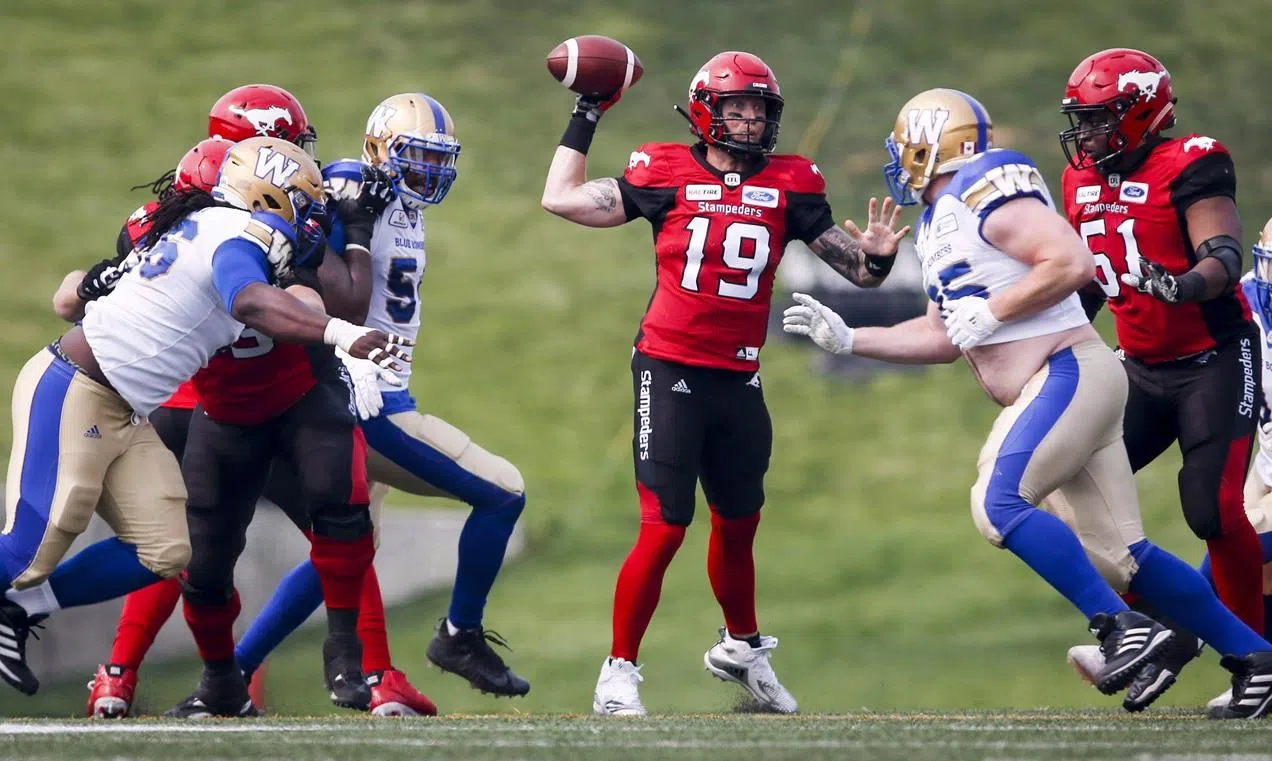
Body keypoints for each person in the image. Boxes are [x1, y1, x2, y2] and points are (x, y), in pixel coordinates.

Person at [783, 87, 1272, 720]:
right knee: (1125, 555)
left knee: (996, 504)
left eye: (906, 146)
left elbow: (1071, 260)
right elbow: (941, 335)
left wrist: (993, 310)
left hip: (1067, 372)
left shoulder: (985, 184)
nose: (899, 160)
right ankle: (1256, 658)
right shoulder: (941, 221)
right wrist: (853, 339)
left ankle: (1118, 626)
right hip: (1070, 380)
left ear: (931, 144)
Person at [541, 50, 905, 715]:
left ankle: (742, 649)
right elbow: (559, 198)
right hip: (669, 366)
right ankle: (617, 671)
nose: (750, 120)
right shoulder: (663, 168)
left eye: (760, 110)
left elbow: (856, 271)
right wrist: (587, 112)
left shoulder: (794, 182)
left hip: (739, 375)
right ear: (707, 111)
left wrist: (878, 260)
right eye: (737, 108)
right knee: (665, 525)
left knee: (740, 523)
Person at [0, 136, 410, 700]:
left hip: (127, 409)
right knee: (29, 545)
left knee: (170, 550)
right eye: (301, 204)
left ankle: (22, 609)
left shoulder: (205, 225)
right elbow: (247, 301)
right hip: (76, 387)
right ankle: (21, 594)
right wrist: (344, 333)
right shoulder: (234, 232)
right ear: (267, 196)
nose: (310, 220)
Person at [231, 92, 531, 702]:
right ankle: (459, 634)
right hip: (366, 399)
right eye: (416, 157)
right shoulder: (349, 185)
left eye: (438, 160)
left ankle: (230, 673)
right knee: (503, 493)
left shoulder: (406, 207)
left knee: (341, 554)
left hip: (378, 391)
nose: (429, 173)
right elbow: (305, 267)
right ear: (377, 150)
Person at [1056, 47, 1263, 711]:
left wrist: (1179, 284)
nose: (1086, 135)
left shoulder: (1192, 160)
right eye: (1080, 121)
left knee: (1213, 509)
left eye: (1099, 120)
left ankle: (1254, 658)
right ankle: (1152, 632)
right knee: (1068, 485)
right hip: (1138, 367)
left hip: (1214, 357)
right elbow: (1084, 281)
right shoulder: (1080, 180)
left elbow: (1223, 255)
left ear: (1142, 113)